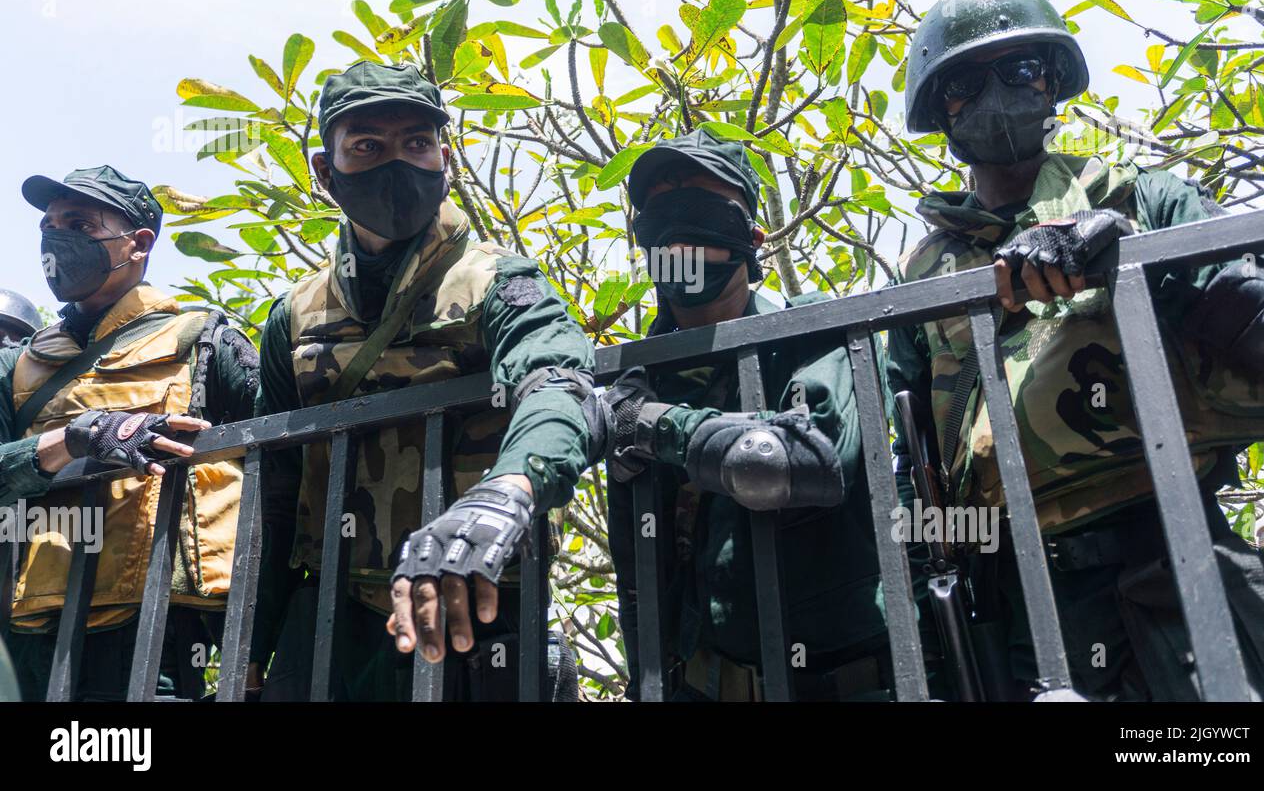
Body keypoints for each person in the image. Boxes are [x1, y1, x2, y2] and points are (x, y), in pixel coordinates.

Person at [888, 0, 1264, 700]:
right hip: (1019, 597)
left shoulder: (1142, 197)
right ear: (940, 115)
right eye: (963, 83)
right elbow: (913, 462)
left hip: (1176, 546)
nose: (997, 95)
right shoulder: (924, 275)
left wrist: (1131, 255)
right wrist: (932, 606)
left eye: (1021, 70)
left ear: (1053, 85)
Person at [251, 60, 598, 701]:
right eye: (367, 147)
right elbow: (271, 490)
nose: (398, 163)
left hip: (483, 607)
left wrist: (510, 491)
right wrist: (250, 650)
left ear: (447, 159)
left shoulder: (503, 281)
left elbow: (557, 383)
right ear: (325, 173)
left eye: (416, 143)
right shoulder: (293, 317)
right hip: (332, 622)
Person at [602, 129, 937, 701]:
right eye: (657, 215)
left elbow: (806, 461)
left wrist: (660, 426)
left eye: (698, 209)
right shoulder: (634, 378)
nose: (676, 232)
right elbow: (640, 576)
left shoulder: (815, 328)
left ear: (751, 236)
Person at [0, 166, 258, 700]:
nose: (56, 238)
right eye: (48, 226)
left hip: (158, 622)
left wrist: (258, 641)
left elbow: (278, 470)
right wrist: (76, 437)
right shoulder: (18, 366)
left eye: (80, 225)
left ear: (138, 242)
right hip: (33, 620)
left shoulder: (206, 343)